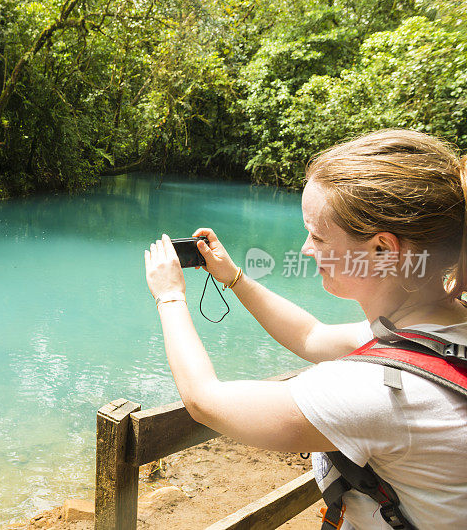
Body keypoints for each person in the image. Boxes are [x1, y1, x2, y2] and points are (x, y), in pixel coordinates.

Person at [144, 129, 467, 529]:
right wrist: (234, 277)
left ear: (382, 250)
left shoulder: (380, 392)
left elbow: (205, 401)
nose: (305, 249)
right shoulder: (444, 328)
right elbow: (311, 336)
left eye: (317, 234)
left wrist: (170, 296)